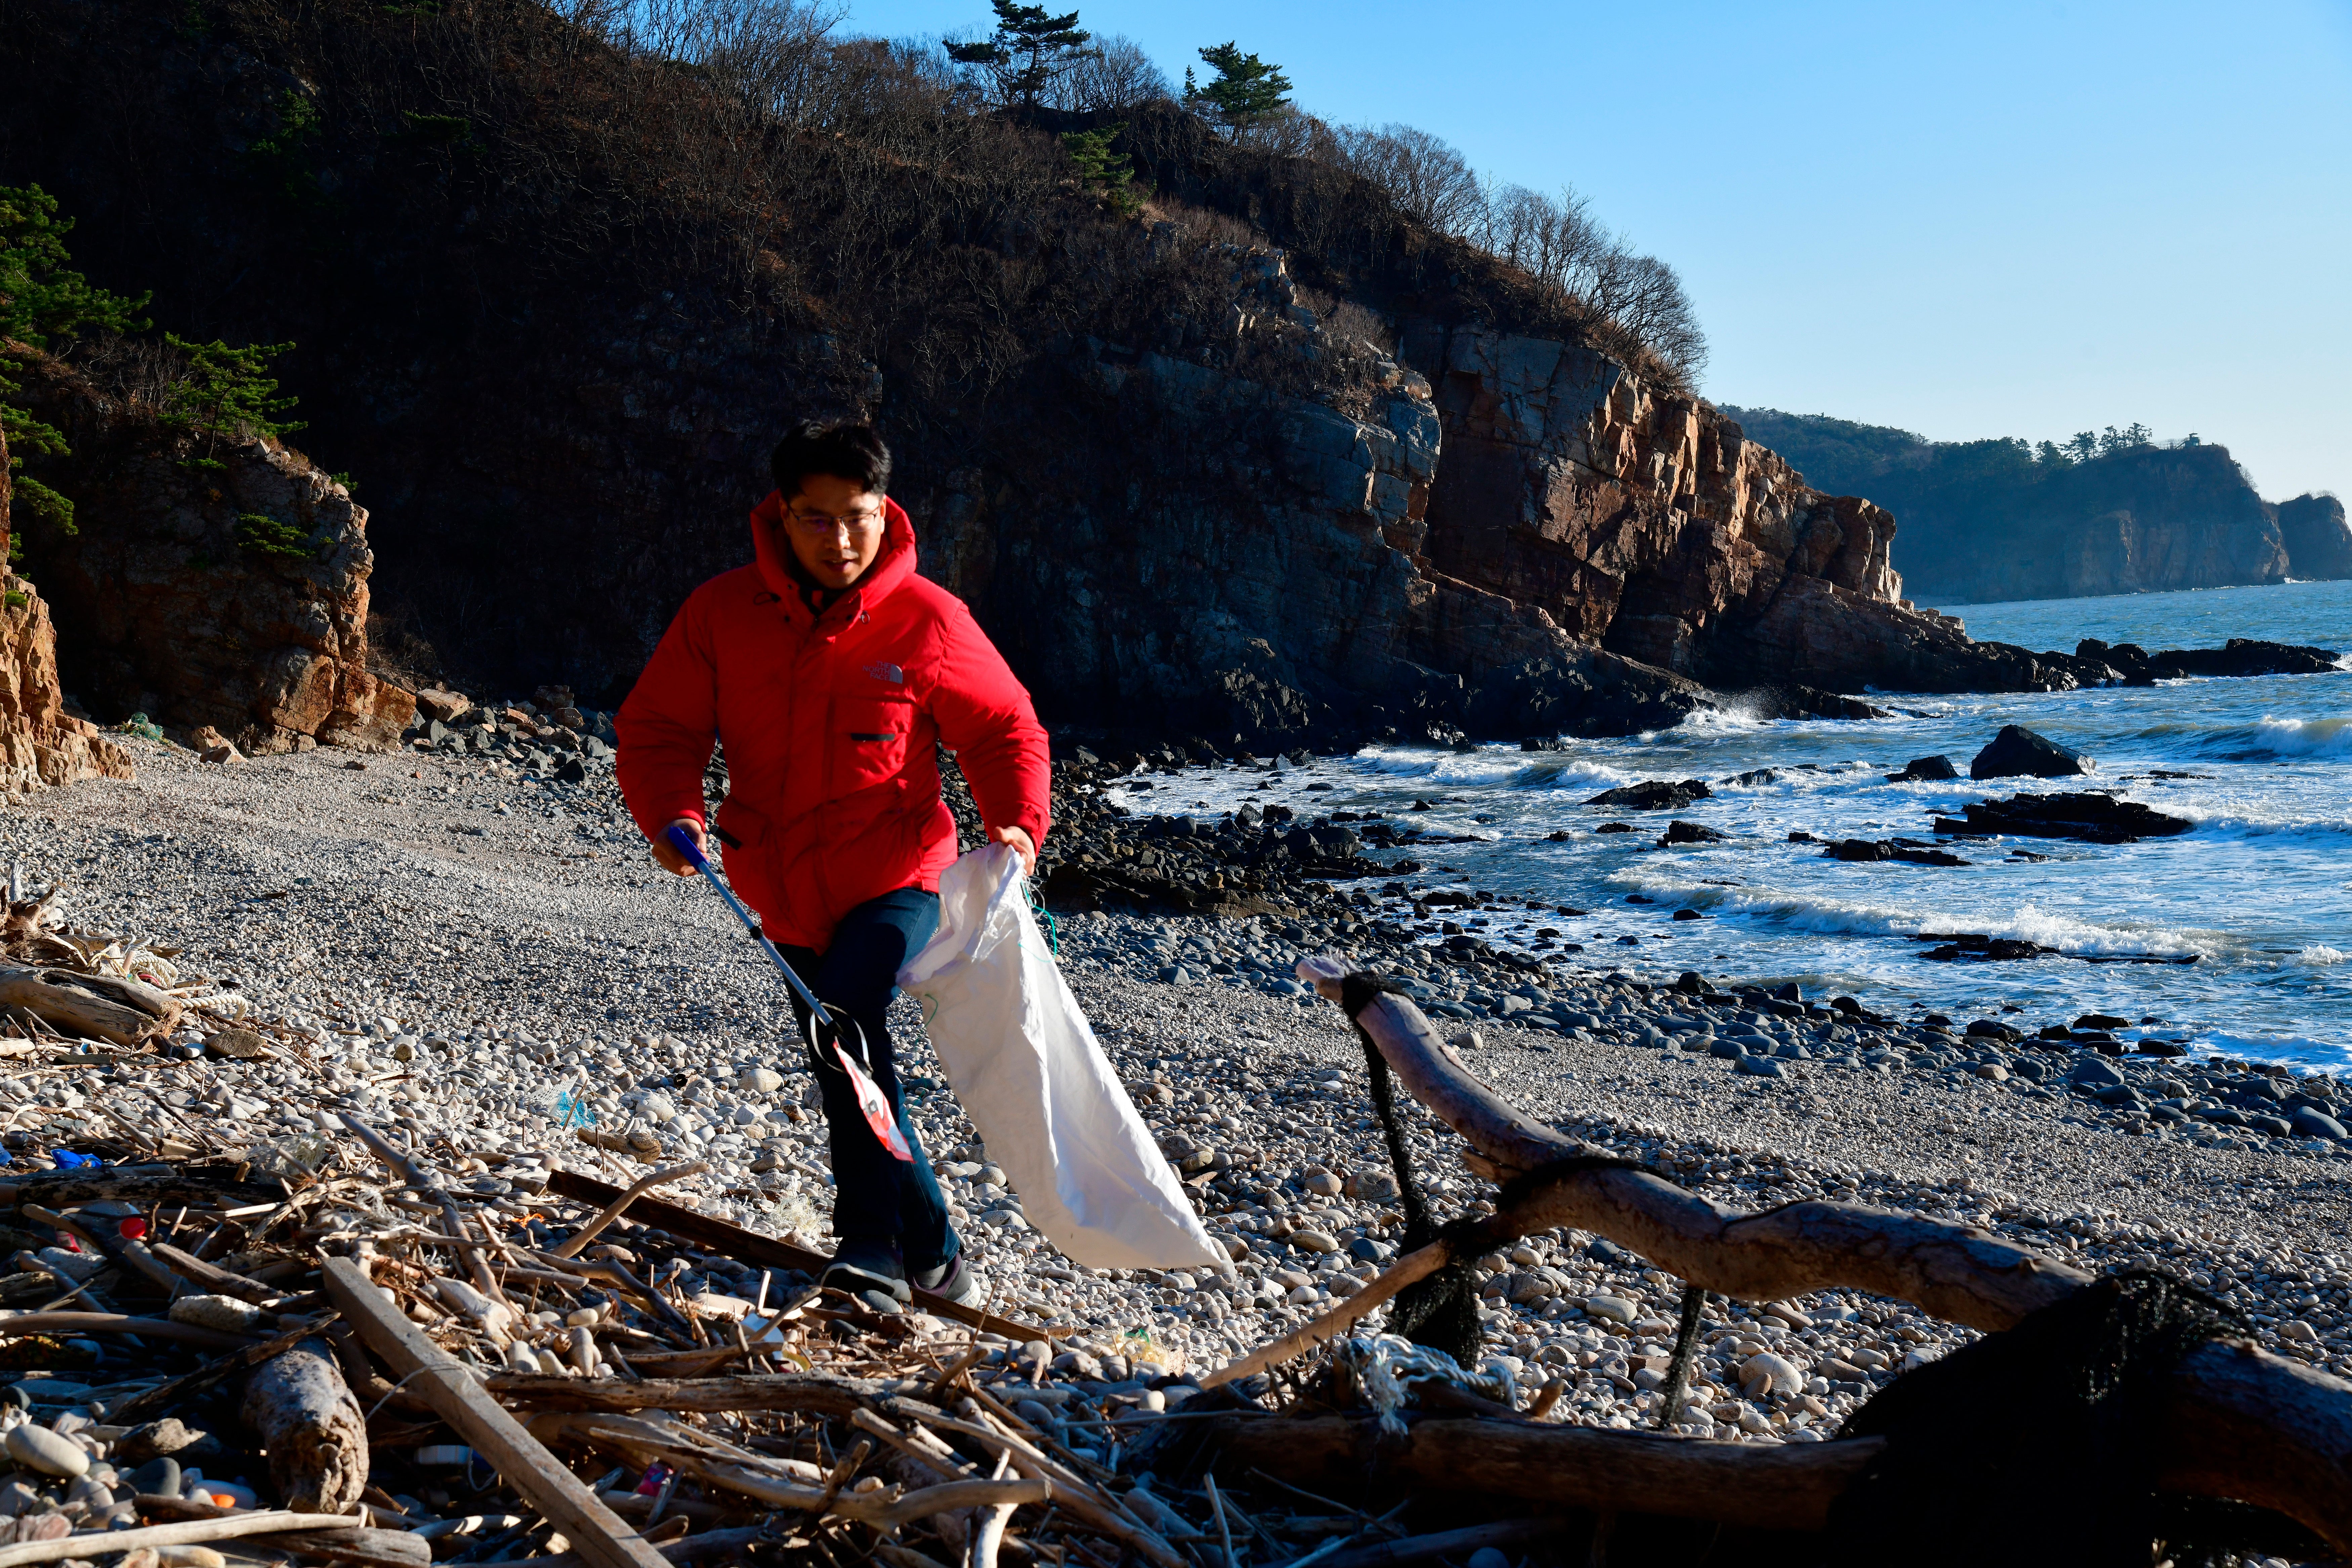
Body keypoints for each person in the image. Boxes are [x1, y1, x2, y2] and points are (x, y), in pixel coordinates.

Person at [616, 420, 1050, 1309]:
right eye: (817, 518)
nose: (841, 539)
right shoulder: (723, 613)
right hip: (779, 885)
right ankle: (936, 1252)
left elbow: (1004, 727)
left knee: (845, 1016)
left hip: (900, 874)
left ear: (885, 511)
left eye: (858, 516)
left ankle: (870, 1249)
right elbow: (661, 728)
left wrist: (1016, 825)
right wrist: (673, 815)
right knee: (841, 1052)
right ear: (782, 515)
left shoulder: (929, 618)